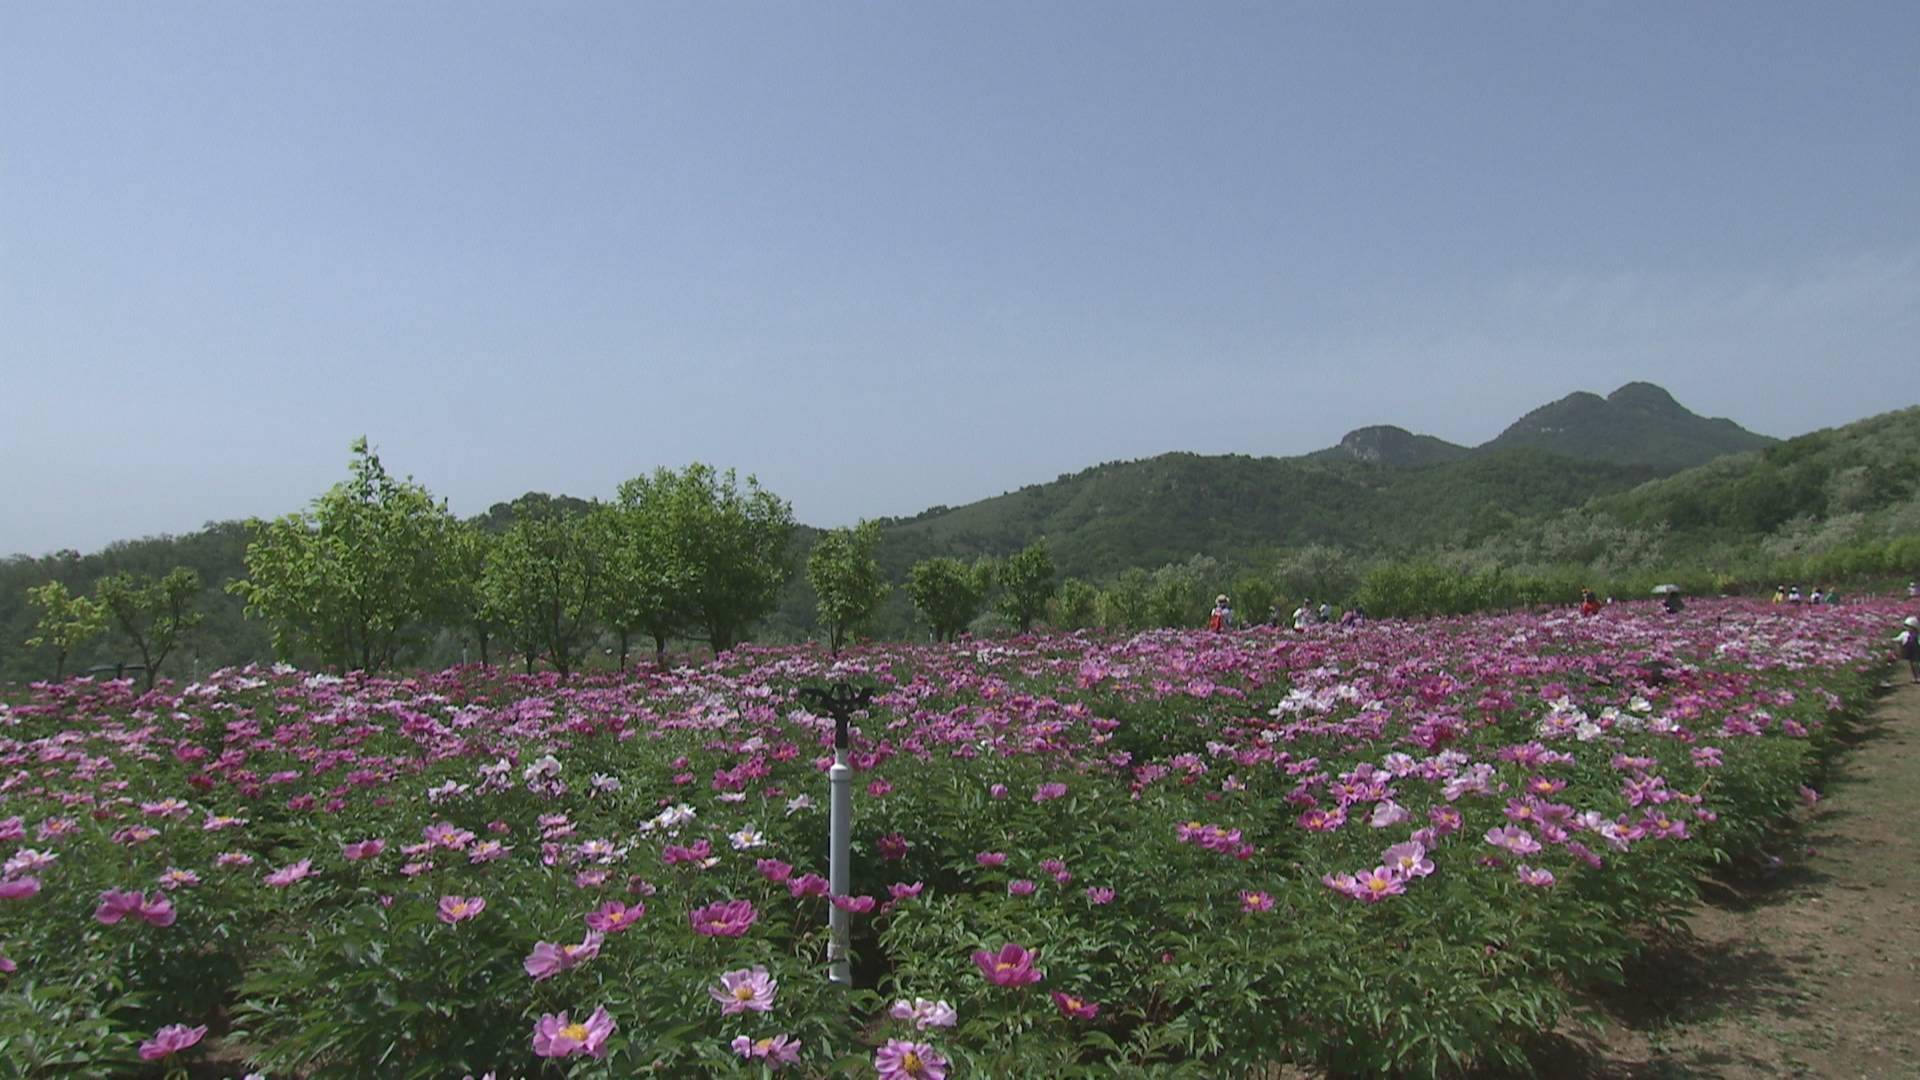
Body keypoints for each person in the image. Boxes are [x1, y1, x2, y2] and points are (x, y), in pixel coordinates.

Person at [1898, 617, 1920, 683]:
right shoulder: (1904, 634)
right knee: (1912, 664)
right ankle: (1915, 677)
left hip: (1917, 651)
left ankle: (1918, 677)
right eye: (1906, 626)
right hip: (1910, 651)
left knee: (1916, 664)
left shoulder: (1917, 635)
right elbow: (1898, 639)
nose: (1907, 628)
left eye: (1909, 627)